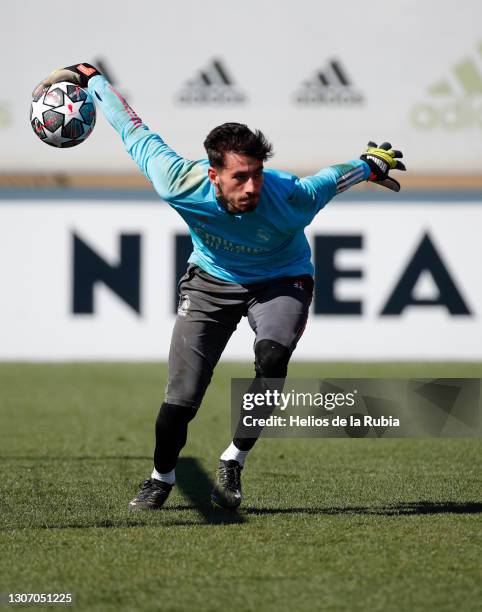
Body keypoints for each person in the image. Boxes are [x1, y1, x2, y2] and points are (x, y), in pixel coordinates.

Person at [34, 64, 406, 511]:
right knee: (181, 398)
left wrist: (369, 165)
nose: (251, 187)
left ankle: (234, 459)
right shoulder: (178, 181)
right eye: (239, 177)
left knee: (272, 357)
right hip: (210, 283)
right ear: (213, 175)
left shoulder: (290, 197)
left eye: (256, 174)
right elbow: (131, 127)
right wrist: (91, 78)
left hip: (281, 280)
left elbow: (335, 176)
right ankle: (161, 477)